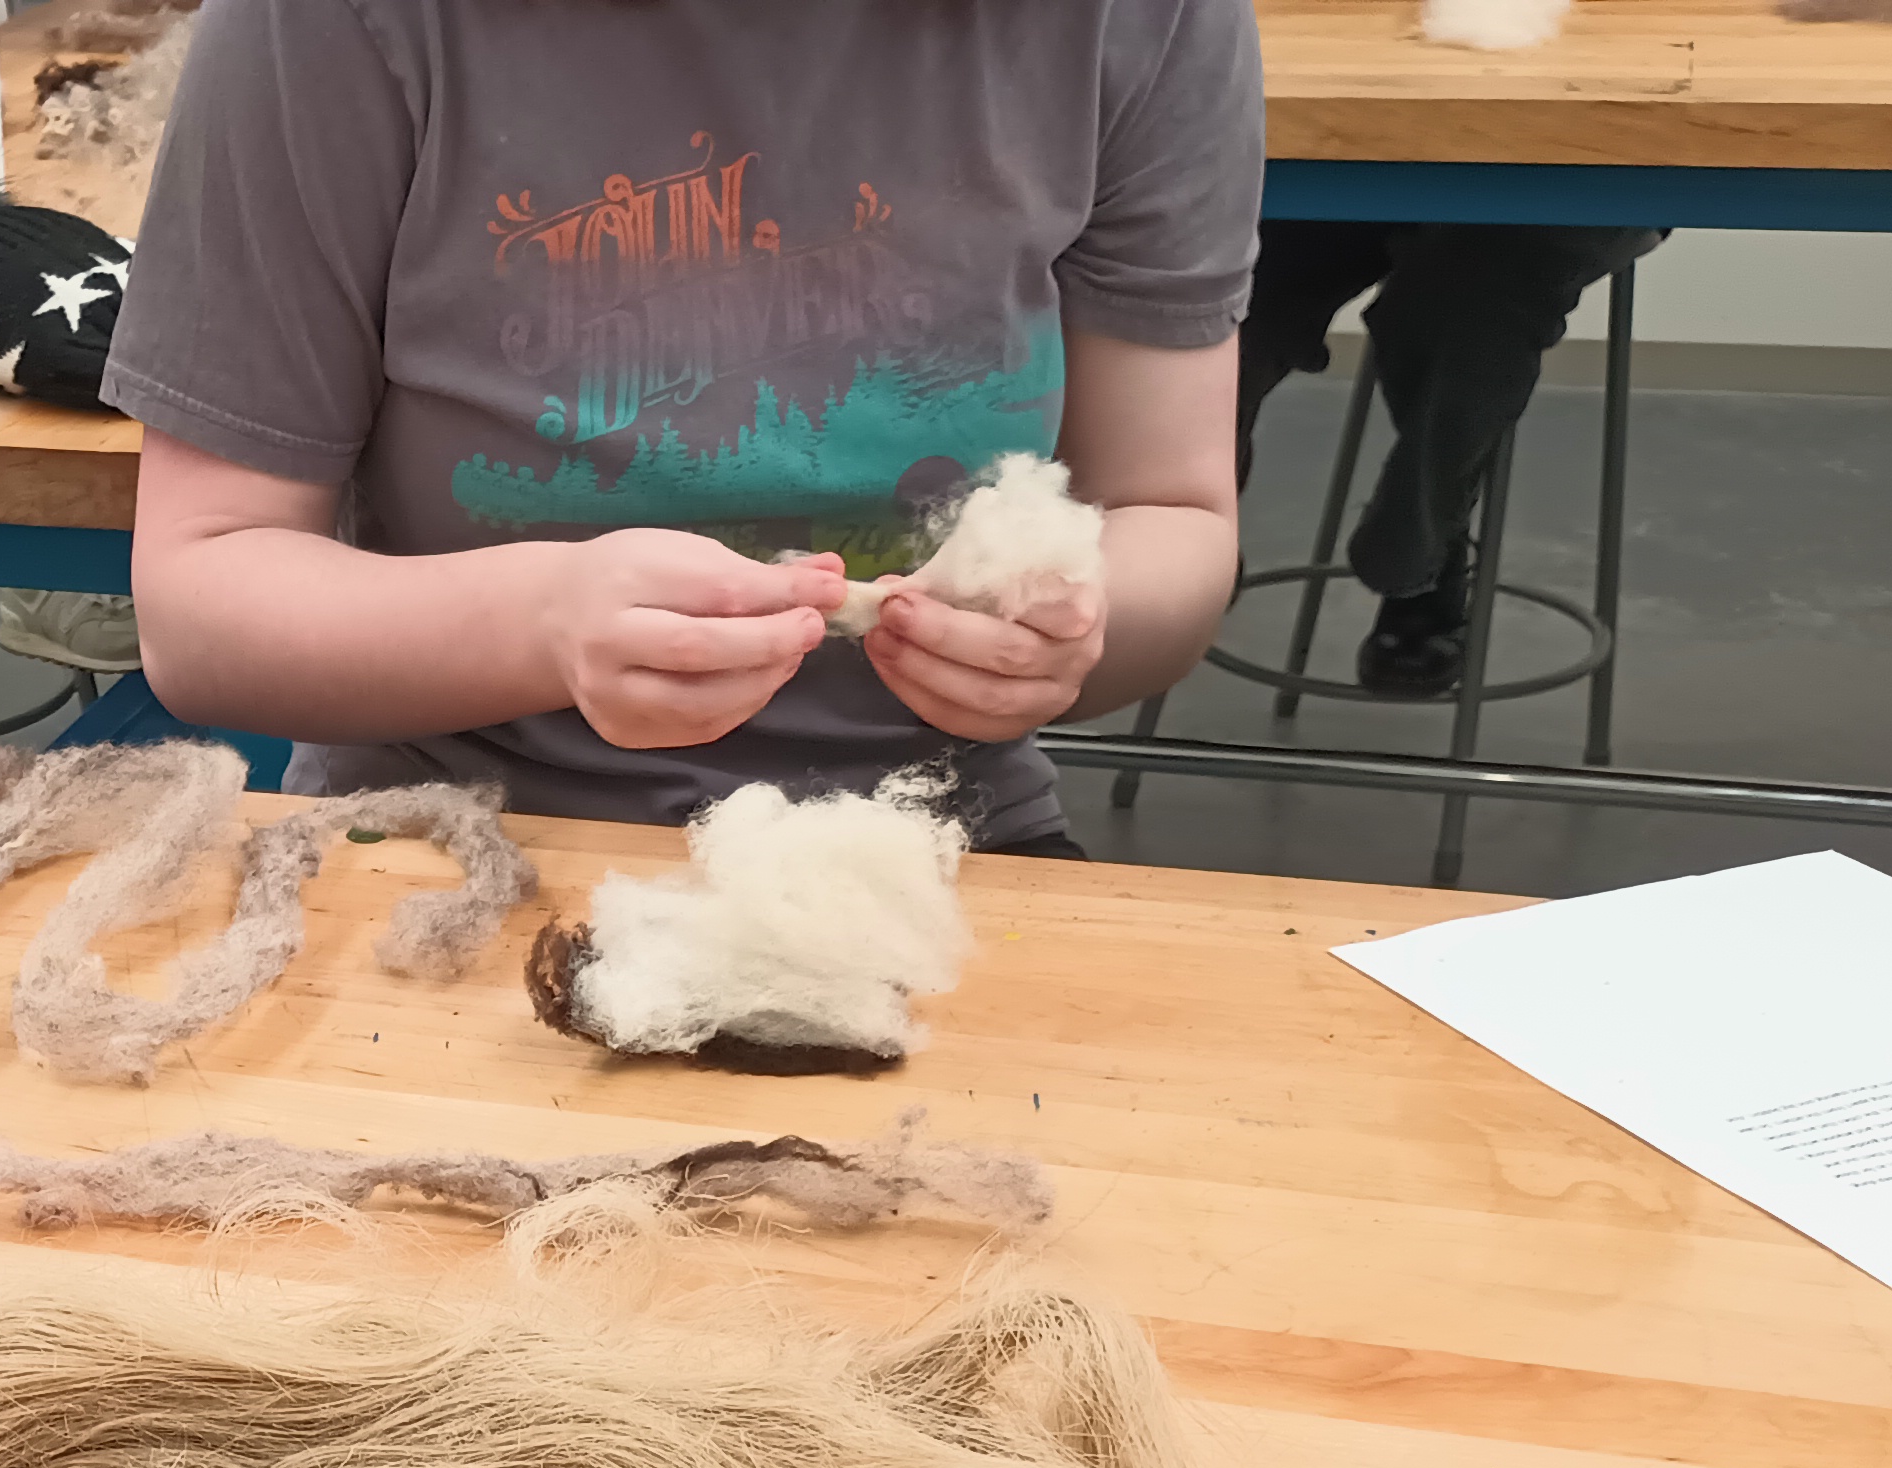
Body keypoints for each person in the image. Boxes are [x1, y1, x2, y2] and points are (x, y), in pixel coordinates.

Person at [103, 0, 1262, 856]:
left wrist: (1069, 629)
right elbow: (204, 605)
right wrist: (543, 626)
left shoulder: (1139, 21)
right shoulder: (326, 27)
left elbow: (1175, 512)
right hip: (449, 843)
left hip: (937, 853)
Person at [1235, 222, 1664, 697]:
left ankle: (1423, 556)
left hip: (1564, 185)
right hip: (1362, 164)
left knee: (1473, 298)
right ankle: (1185, 520)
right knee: (1217, 276)